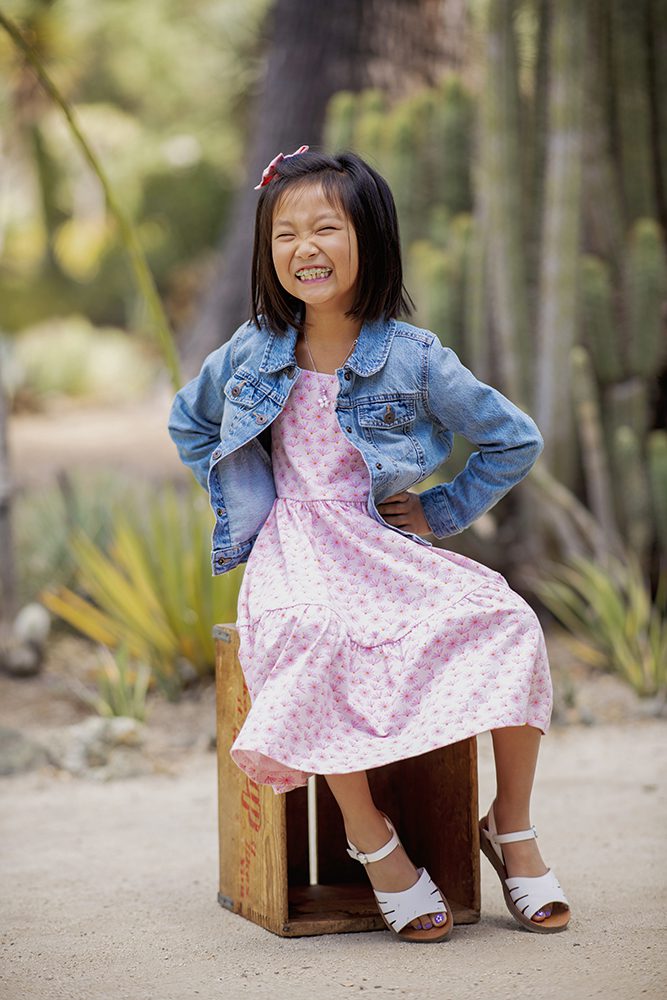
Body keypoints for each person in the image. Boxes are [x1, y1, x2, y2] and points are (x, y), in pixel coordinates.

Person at [168, 146, 571, 943]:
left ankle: (510, 825)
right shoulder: (250, 348)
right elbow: (189, 422)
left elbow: (512, 439)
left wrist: (439, 509)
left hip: (378, 541)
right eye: (285, 234)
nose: (304, 248)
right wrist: (243, 495)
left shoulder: (412, 356)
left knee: (506, 618)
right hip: (295, 544)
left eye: (325, 228)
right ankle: (370, 834)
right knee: (312, 633)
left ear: (370, 237)